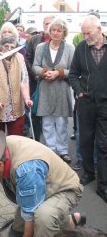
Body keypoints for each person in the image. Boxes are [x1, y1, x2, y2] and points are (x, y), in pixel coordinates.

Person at [0, 131, 85, 237]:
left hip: (63, 189)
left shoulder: (25, 170)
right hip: (37, 185)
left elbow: (30, 214)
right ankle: (69, 222)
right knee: (15, 233)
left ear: (0, 164)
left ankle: (57, 223)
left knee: (43, 218)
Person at [69, 15, 107, 203]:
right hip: (86, 104)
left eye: (88, 32)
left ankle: (103, 184)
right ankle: (89, 173)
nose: (85, 37)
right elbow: (73, 73)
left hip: (105, 105)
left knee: (103, 144)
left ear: (99, 29)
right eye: (83, 33)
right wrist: (78, 92)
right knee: (85, 140)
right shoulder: (81, 48)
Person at [32, 19, 74, 164]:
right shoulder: (41, 47)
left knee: (61, 122)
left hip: (62, 89)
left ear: (64, 33)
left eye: (59, 30)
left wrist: (58, 73)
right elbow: (35, 66)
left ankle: (63, 151)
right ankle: (51, 149)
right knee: (47, 122)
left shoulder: (69, 48)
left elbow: (73, 70)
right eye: (53, 30)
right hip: (45, 88)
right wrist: (44, 73)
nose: (55, 33)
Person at [0, 37, 32, 137]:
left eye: (12, 47)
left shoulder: (20, 57)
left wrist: (27, 98)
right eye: (6, 46)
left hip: (15, 104)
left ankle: (12, 153)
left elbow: (24, 79)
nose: (9, 49)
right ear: (0, 47)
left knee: (16, 137)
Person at [26, 15, 55, 141]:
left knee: (51, 114)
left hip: (53, 82)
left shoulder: (60, 40)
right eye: (46, 23)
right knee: (36, 112)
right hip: (36, 81)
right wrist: (36, 75)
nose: (48, 26)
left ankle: (52, 145)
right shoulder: (35, 39)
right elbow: (27, 59)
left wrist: (53, 74)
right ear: (43, 25)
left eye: (51, 23)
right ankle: (36, 139)